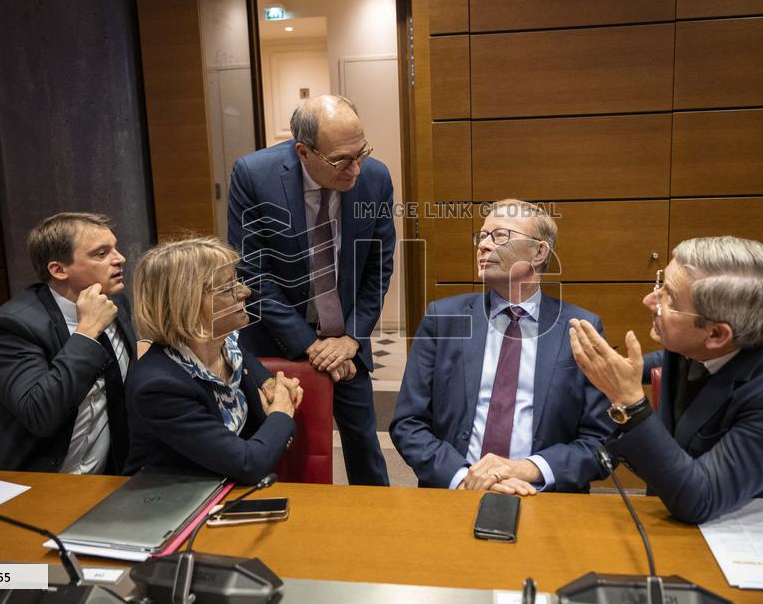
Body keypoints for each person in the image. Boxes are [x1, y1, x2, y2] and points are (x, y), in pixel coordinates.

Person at [569, 236, 763, 524]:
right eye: (660, 283)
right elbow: (672, 359)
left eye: (668, 298)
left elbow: (701, 499)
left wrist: (630, 402)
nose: (649, 300)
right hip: (678, 517)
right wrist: (621, 369)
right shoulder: (715, 331)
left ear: (716, 334)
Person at [390, 199, 613, 494]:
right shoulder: (443, 319)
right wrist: (463, 478)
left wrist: (529, 469)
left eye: (499, 236)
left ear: (539, 252)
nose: (483, 245)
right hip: (455, 492)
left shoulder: (580, 327)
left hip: (543, 495)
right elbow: (408, 423)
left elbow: (600, 441)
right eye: (481, 236)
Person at [228, 94, 394, 486]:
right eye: (341, 160)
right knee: (283, 445)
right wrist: (310, 345)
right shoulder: (254, 176)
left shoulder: (375, 177)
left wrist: (352, 338)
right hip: (276, 339)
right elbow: (254, 272)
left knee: (365, 449)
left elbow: (378, 267)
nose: (355, 168)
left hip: (346, 344)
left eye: (361, 152)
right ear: (303, 151)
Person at [0, 213, 135, 473]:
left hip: (101, 480)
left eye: (115, 248)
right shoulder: (12, 326)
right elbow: (40, 414)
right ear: (59, 270)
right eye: (101, 253)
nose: (120, 259)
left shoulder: (115, 303)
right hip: (22, 479)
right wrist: (86, 333)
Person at [124, 237, 302, 483]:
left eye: (236, 280)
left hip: (224, 490)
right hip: (175, 505)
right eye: (228, 287)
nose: (245, 291)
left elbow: (246, 360)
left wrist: (269, 383)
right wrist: (282, 409)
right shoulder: (158, 387)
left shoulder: (226, 343)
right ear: (188, 303)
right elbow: (248, 464)